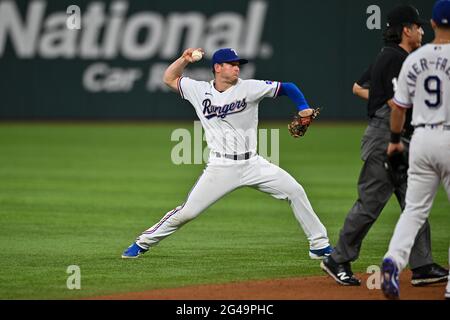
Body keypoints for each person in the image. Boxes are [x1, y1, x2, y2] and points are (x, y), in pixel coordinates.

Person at [121, 47, 332, 260]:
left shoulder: (250, 88)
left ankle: (319, 245)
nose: (236, 68)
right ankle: (142, 243)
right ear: (218, 67)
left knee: (295, 191)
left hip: (253, 163)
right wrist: (184, 59)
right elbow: (169, 78)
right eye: (232, 64)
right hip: (221, 167)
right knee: (187, 212)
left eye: (238, 65)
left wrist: (303, 107)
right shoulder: (198, 89)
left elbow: (289, 87)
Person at [320, 4, 448, 286]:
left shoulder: (399, 56)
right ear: (406, 30)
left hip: (401, 135)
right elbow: (394, 103)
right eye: (417, 26)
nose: (421, 30)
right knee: (370, 203)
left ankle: (423, 265)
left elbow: (365, 88)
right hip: (385, 137)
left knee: (414, 203)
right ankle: (337, 258)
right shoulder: (393, 58)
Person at [381, 0, 450, 300]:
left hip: (420, 140)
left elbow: (399, 106)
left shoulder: (414, 59)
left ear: (433, 24)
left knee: (414, 209)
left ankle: (393, 262)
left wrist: (395, 140)